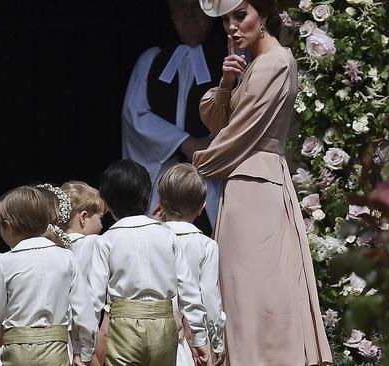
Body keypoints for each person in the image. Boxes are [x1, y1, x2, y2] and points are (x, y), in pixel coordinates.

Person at [193, 0, 333, 364]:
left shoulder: (275, 61)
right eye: (226, 20)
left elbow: (240, 133)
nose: (232, 27)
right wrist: (227, 81)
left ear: (264, 16)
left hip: (256, 184)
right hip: (246, 183)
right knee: (242, 292)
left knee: (257, 291)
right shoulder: (255, 63)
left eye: (240, 16)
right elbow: (217, 121)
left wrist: (195, 170)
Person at [87, 159, 210, 366]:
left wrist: (84, 345)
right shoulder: (167, 235)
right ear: (150, 196)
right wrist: (199, 336)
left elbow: (93, 299)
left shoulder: (106, 241)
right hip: (164, 324)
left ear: (106, 204)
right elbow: (188, 289)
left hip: (125, 327)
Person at [121, 0, 226, 234]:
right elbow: (135, 115)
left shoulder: (228, 61)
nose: (189, 13)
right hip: (163, 177)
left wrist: (211, 145)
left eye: (195, 5)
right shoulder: (152, 60)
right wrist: (184, 142)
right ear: (171, 14)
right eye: (181, 5)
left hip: (210, 179)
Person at [0, 186, 98, 366]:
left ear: (8, 226)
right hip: (56, 351)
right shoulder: (66, 257)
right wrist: (84, 353)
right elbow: (84, 313)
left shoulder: (4, 261)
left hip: (18, 353)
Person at [157, 163, 226, 366]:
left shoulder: (151, 238)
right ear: (202, 206)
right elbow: (210, 297)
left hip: (153, 329)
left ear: (161, 203)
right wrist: (217, 341)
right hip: (192, 338)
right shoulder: (207, 245)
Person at [60, 181, 107, 366]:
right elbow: (93, 300)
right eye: (100, 219)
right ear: (84, 217)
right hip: (80, 339)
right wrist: (85, 348)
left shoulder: (51, 246)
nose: (102, 226)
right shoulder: (94, 244)